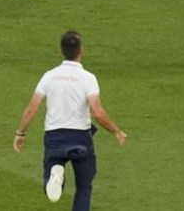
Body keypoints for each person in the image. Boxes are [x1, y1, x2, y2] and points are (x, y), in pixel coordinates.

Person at [13, 31, 127, 210]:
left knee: (49, 184)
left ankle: (56, 173)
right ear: (81, 50)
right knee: (84, 188)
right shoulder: (88, 78)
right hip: (81, 139)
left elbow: (31, 109)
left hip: (55, 138)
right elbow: (97, 113)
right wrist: (116, 131)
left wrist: (20, 133)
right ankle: (58, 175)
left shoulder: (49, 76)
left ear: (61, 51)